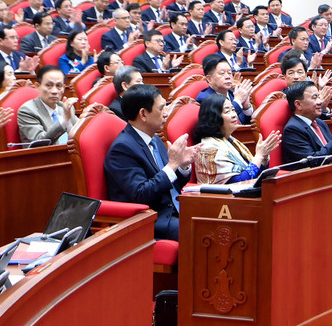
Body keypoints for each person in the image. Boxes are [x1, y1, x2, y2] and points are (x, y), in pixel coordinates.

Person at [105, 84, 198, 240]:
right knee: (201, 232)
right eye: (161, 108)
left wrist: (182, 165)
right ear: (143, 114)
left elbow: (171, 184)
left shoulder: (154, 139)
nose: (166, 113)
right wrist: (172, 165)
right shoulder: (122, 149)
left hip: (176, 210)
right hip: (152, 219)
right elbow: (141, 194)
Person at [194, 94, 281, 184]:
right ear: (213, 117)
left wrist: (263, 157)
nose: (234, 115)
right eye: (227, 111)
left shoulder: (230, 140)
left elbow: (257, 175)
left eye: (233, 110)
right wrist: (259, 156)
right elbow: (238, 184)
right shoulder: (209, 149)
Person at [282, 81, 332, 164]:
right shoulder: (293, 129)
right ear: (298, 104)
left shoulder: (321, 124)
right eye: (314, 98)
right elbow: (313, 162)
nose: (320, 102)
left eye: (319, 97)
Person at [18, 66, 78, 145]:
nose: (54, 91)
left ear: (63, 88)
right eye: (49, 85)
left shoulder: (64, 107)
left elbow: (81, 132)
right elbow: (40, 143)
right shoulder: (27, 111)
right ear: (37, 86)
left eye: (58, 86)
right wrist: (64, 120)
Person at [196, 54, 254, 124]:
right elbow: (218, 123)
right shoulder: (204, 98)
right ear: (209, 79)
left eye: (229, 73)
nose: (228, 77)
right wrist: (238, 101)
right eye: (222, 73)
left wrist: (246, 107)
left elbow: (251, 125)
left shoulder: (233, 94)